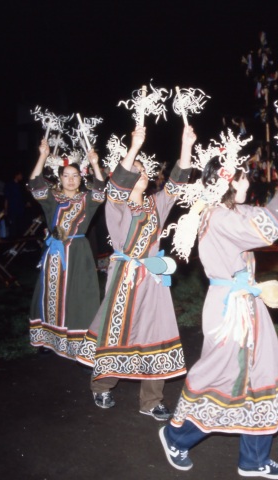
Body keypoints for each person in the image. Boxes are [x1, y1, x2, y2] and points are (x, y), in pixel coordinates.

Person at [159, 145, 278, 478]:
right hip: (229, 309)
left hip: (247, 304)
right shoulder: (217, 216)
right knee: (223, 376)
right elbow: (264, 229)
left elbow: (267, 225)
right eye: (244, 176)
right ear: (228, 182)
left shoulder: (234, 211)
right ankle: (176, 436)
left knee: (260, 374)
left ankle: (254, 459)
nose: (249, 181)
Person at [76, 125, 194, 421]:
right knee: (118, 332)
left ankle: (151, 400)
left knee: (157, 332)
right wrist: (134, 147)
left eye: (143, 171)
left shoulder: (157, 204)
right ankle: (102, 384)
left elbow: (178, 182)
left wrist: (186, 144)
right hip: (124, 278)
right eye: (134, 170)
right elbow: (117, 183)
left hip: (153, 279)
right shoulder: (116, 204)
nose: (139, 174)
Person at [28, 139, 106, 359]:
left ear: (81, 178)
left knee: (80, 295)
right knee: (50, 295)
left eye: (75, 176)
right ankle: (49, 339)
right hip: (55, 252)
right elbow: (35, 184)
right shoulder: (52, 199)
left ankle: (82, 345)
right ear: (59, 178)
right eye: (66, 176)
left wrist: (95, 163)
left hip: (79, 253)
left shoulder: (87, 199)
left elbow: (101, 189)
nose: (71, 180)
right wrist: (42, 156)